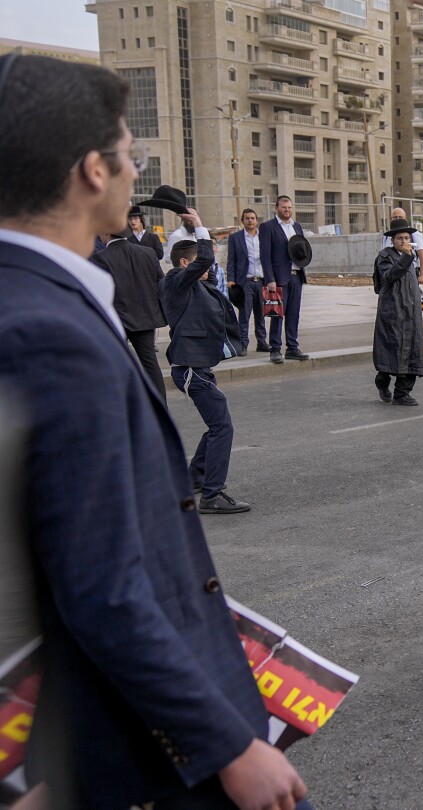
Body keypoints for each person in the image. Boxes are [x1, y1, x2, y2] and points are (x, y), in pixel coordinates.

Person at [0, 54, 308, 809]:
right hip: (144, 744)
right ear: (92, 172)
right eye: (129, 153)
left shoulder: (37, 295)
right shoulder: (49, 331)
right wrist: (231, 745)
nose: (137, 169)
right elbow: (103, 589)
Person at [160, 214, 250, 514]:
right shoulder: (174, 281)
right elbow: (205, 259)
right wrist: (198, 225)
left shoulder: (198, 286)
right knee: (222, 427)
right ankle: (211, 495)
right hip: (188, 367)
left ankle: (195, 478)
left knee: (216, 425)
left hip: (199, 366)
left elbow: (218, 299)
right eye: (201, 261)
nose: (209, 266)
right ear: (186, 264)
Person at [93, 226, 167, 389]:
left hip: (117, 319)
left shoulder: (100, 258)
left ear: (107, 232)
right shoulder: (148, 253)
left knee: (117, 363)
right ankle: (160, 406)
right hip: (146, 317)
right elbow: (161, 283)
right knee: (150, 364)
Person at [372, 217, 423, 406]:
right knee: (391, 352)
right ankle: (382, 381)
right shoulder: (385, 257)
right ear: (392, 240)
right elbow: (390, 275)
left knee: (412, 352)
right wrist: (406, 257)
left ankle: (402, 393)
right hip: (392, 314)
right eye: (399, 238)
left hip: (410, 314)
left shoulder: (410, 258)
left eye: (406, 238)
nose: (403, 242)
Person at [258, 195, 309, 363]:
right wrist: (270, 279)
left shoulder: (297, 226)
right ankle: (275, 349)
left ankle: (292, 348)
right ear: (276, 208)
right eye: (283, 208)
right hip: (279, 279)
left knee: (294, 314)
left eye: (289, 208)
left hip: (296, 277)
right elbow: (265, 256)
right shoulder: (267, 227)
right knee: (277, 315)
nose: (287, 210)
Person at [225, 208, 269, 355]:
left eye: (253, 218)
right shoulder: (235, 238)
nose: (250, 220)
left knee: (261, 314)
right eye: (247, 218)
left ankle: (262, 342)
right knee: (244, 314)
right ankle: (242, 344)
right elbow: (231, 260)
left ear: (257, 220)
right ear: (242, 221)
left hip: (261, 281)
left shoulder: (263, 237)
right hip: (245, 282)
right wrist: (231, 279)